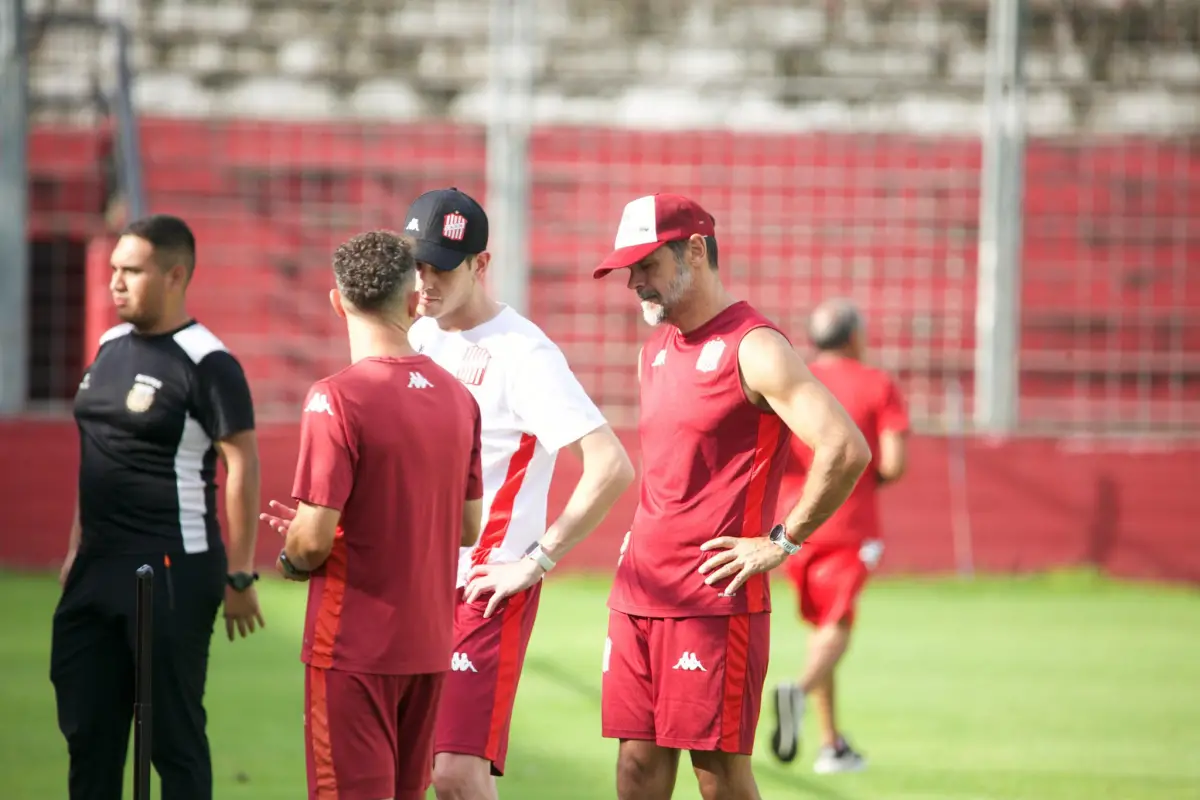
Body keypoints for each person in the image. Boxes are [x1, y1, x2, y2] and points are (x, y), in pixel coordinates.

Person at [592, 193, 873, 800]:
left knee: (717, 777)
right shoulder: (655, 349)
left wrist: (782, 541)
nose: (635, 282)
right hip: (638, 589)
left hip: (714, 598)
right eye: (628, 270)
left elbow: (845, 448)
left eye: (646, 264)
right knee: (634, 770)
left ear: (695, 249)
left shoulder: (755, 346)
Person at [399, 187, 635, 799]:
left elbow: (609, 465)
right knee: (414, 768)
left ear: (480, 265)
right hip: (412, 581)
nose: (424, 281)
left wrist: (536, 560)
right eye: (417, 264)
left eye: (441, 268)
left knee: (455, 772)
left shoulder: (524, 353)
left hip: (484, 584)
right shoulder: (418, 337)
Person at [259, 230, 484, 800]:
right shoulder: (460, 398)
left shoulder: (336, 397)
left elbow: (309, 544)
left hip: (354, 647)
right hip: (429, 647)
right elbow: (466, 528)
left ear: (338, 302)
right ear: (413, 302)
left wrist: (296, 554)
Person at [51, 214, 264, 800]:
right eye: (114, 269)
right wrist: (76, 548)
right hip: (96, 568)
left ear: (174, 276)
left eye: (132, 271)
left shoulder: (209, 362)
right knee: (87, 732)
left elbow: (241, 464)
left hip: (171, 567)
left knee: (172, 738)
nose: (115, 282)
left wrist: (240, 572)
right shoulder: (109, 346)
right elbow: (95, 454)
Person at [769, 298, 910, 774]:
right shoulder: (877, 383)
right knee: (838, 627)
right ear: (854, 336)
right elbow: (891, 463)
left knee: (820, 628)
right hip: (848, 524)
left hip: (792, 524)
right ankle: (798, 690)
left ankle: (832, 744)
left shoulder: (793, 379)